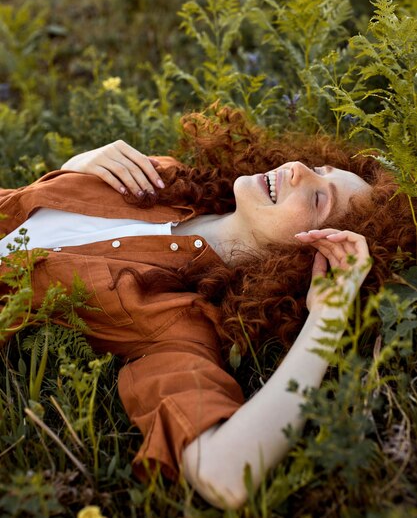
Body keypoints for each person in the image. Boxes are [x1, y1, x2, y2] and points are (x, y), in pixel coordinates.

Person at [0, 107, 414, 509]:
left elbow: (226, 475)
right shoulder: (161, 177)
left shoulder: (174, 317)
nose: (299, 169)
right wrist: (77, 164)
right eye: (320, 169)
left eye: (319, 198)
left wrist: (327, 317)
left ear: (313, 256)